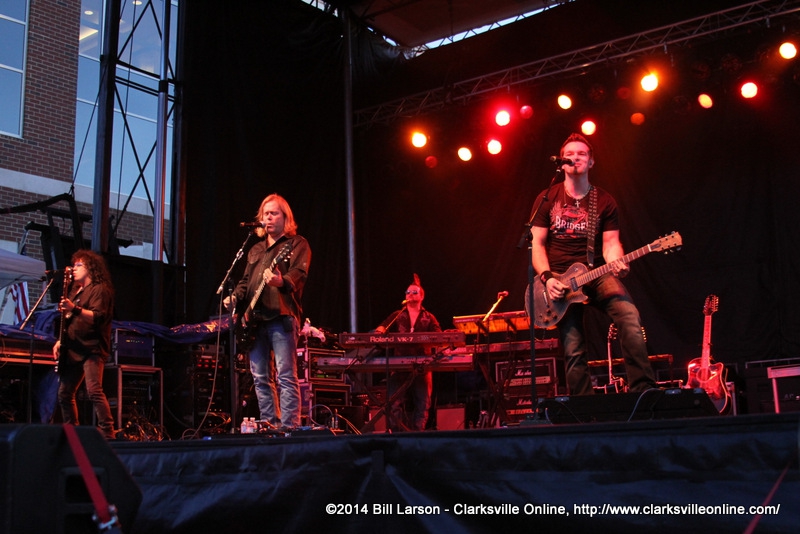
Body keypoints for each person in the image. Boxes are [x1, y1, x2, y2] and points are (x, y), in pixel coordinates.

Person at [529, 133, 657, 395]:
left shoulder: (605, 201)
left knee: (629, 317)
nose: (575, 157)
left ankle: (643, 391)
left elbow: (611, 244)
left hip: (596, 273)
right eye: (569, 154)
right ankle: (583, 406)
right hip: (559, 280)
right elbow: (537, 245)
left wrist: (617, 262)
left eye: (581, 154)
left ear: (591, 162)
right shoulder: (546, 198)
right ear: (562, 161)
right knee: (573, 346)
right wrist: (547, 277)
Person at [226, 193, 311, 431]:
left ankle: (290, 428)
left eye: (274, 213)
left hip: (281, 317)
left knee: (286, 375)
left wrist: (281, 281)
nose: (269, 217)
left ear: (285, 217)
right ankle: (270, 427)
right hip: (255, 320)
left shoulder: (297, 244)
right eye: (266, 214)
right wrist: (235, 297)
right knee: (260, 378)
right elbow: (246, 281)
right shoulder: (255, 249)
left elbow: (299, 273)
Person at [53, 250, 117, 439]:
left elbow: (98, 317)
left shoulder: (99, 289)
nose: (74, 269)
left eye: (78, 265)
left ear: (90, 268)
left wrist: (74, 308)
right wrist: (60, 340)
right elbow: (69, 321)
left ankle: (108, 432)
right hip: (74, 348)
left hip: (92, 348)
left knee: (94, 390)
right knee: (65, 393)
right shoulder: (75, 292)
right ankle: (72, 433)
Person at [374, 274, 441, 431]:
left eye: (414, 292)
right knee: (394, 402)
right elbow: (382, 327)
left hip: (423, 364)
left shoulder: (429, 317)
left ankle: (417, 433)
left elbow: (439, 336)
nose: (410, 294)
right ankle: (400, 433)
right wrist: (379, 330)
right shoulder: (397, 315)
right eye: (407, 292)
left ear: (421, 296)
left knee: (423, 403)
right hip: (399, 363)